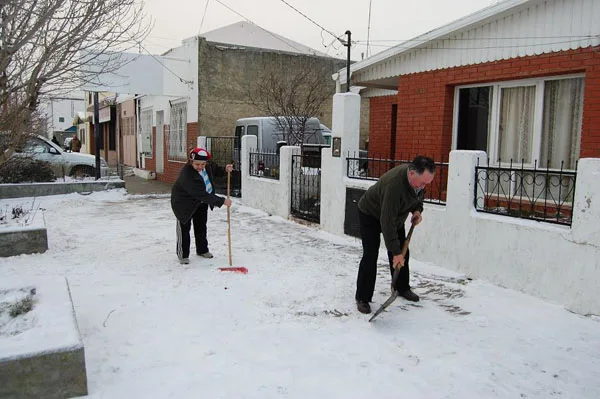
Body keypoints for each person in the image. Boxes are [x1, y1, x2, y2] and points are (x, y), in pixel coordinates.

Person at [355, 155, 436, 314]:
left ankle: (402, 287)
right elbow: (386, 222)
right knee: (371, 254)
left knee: (403, 254)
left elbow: (418, 197)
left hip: (395, 217)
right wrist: (396, 252)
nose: (423, 186)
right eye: (422, 182)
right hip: (370, 214)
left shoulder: (418, 181)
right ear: (411, 173)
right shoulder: (395, 185)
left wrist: (417, 210)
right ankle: (363, 297)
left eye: (426, 183)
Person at [171, 147, 233, 265]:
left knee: (201, 226)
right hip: (184, 204)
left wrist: (225, 169)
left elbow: (215, 170)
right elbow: (201, 194)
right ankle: (183, 255)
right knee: (184, 229)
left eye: (202, 164)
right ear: (191, 162)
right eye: (197, 164)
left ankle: (202, 250)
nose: (200, 167)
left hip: (201, 202)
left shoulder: (208, 166)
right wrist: (222, 201)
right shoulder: (187, 175)